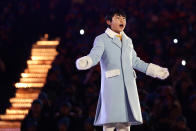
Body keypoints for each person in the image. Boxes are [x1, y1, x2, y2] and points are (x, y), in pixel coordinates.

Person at [75, 8, 169, 131]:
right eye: (118, 18)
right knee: (109, 123)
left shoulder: (128, 41)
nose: (122, 20)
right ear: (109, 21)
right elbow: (95, 56)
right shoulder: (102, 39)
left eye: (124, 18)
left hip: (128, 86)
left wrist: (156, 71)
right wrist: (86, 61)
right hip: (112, 86)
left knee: (125, 124)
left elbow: (135, 61)